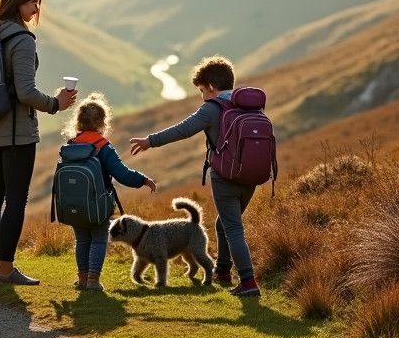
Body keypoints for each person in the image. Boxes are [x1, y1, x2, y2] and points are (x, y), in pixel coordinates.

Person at [129, 56, 261, 297]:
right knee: (224, 223)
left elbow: (184, 129)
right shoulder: (249, 106)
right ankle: (222, 272)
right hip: (251, 176)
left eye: (201, 90)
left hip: (225, 177)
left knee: (232, 227)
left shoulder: (212, 108)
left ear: (210, 86)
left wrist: (150, 141)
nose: (202, 96)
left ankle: (248, 282)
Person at [0, 0, 77, 286]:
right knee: (16, 200)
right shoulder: (22, 40)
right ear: (18, 1)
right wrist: (56, 103)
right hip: (16, 134)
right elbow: (25, 92)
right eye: (33, 2)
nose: (36, 9)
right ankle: (6, 269)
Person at [60, 93, 156, 291]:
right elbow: (122, 174)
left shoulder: (71, 145)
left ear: (79, 122)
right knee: (98, 239)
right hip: (98, 205)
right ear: (102, 122)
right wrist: (143, 180)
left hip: (73, 205)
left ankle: (82, 279)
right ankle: (93, 281)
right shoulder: (103, 147)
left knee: (82, 240)